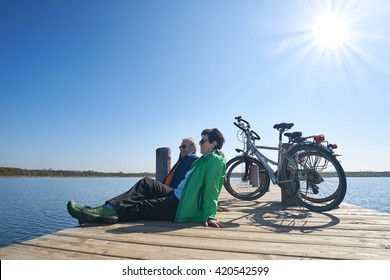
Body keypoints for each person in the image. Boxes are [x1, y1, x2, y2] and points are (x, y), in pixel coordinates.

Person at [67, 128, 226, 228]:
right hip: (175, 193)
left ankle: (98, 216)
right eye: (200, 140)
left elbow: (211, 189)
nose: (200, 143)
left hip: (180, 203)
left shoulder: (214, 162)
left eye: (203, 141)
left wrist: (209, 214)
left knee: (143, 205)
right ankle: (106, 208)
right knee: (146, 182)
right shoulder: (202, 161)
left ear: (214, 143)